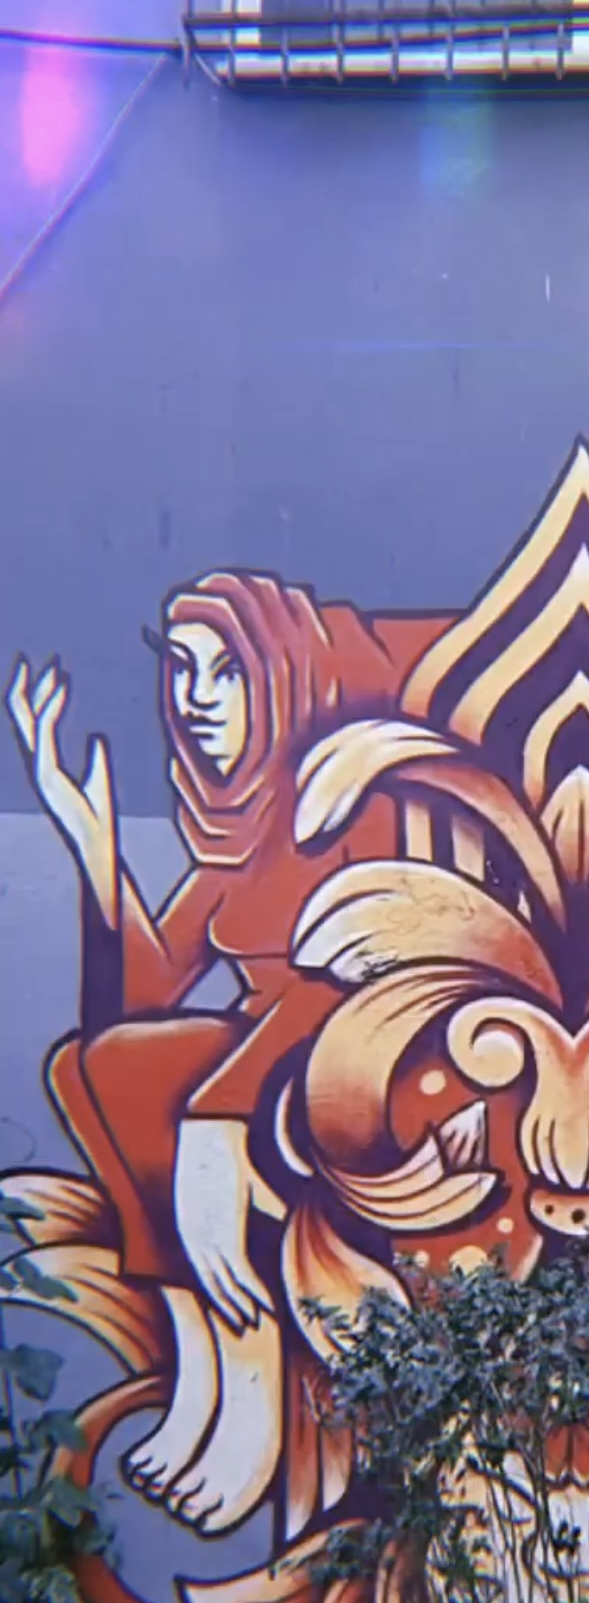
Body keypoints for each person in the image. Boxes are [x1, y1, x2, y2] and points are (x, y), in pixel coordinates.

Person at [6, 573, 435, 1534]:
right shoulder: (238, 839)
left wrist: (217, 1117)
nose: (196, 699)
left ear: (283, 675)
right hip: (259, 1073)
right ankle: (203, 1359)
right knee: (86, 1065)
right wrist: (94, 842)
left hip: (349, 1069)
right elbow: (140, 1001)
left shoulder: (351, 806)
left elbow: (343, 982)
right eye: (181, 669)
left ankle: (250, 1376)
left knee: (152, 1068)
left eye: (227, 672)